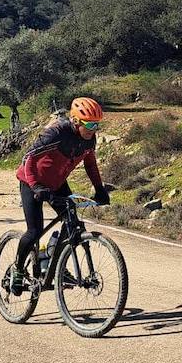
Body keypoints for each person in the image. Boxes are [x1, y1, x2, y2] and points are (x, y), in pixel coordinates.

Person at [12, 97, 110, 280]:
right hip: (31, 181)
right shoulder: (56, 133)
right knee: (34, 231)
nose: (93, 130)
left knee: (71, 222)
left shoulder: (89, 139)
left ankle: (53, 264)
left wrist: (99, 188)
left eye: (96, 125)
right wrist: (36, 186)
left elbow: (90, 164)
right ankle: (17, 270)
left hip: (57, 183)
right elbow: (29, 159)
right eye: (89, 125)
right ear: (75, 120)